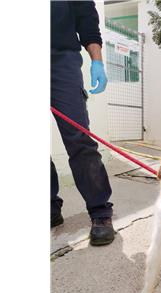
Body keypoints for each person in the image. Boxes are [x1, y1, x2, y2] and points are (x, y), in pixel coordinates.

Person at [51, 1, 114, 246]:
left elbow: (88, 21)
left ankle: (100, 211)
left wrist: (97, 62)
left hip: (61, 60)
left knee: (78, 138)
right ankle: (49, 207)